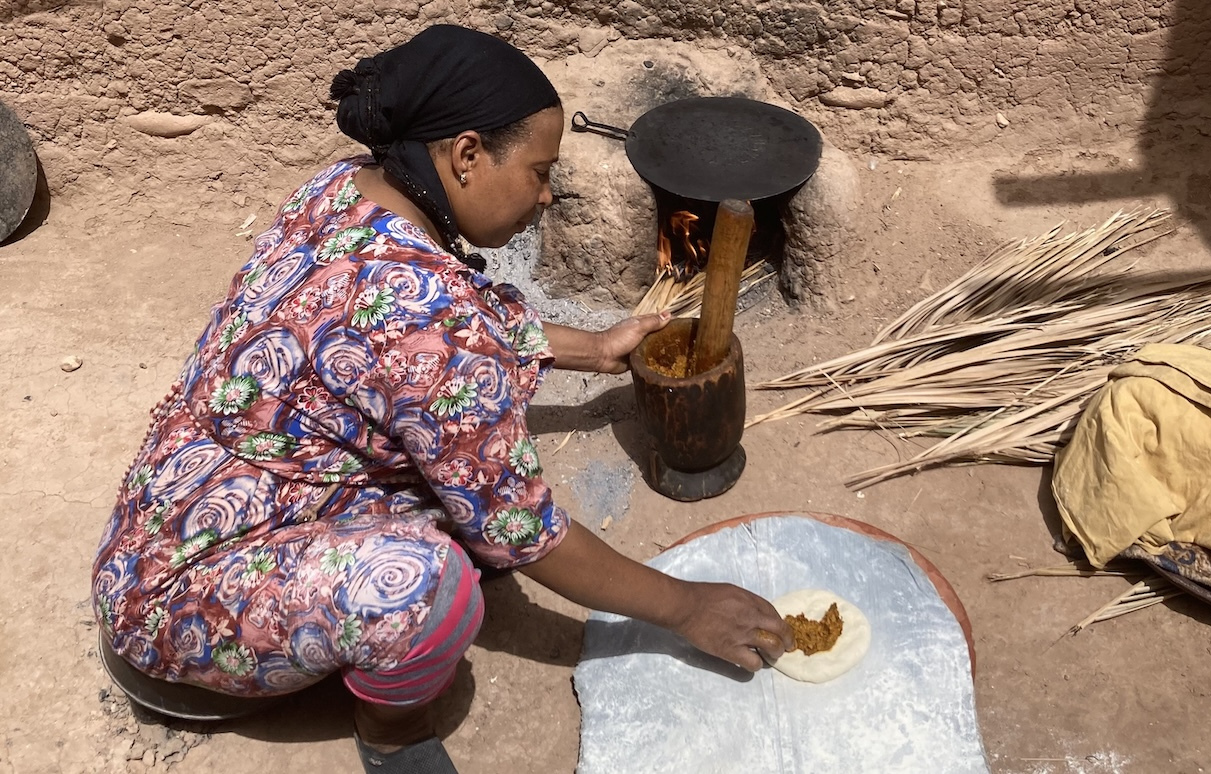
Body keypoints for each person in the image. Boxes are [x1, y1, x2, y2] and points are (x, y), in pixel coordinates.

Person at [91, 24, 792, 774]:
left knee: (451, 483)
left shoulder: (343, 189)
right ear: (466, 156)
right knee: (436, 587)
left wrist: (593, 347)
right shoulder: (435, 329)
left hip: (173, 520)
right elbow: (526, 532)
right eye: (540, 172)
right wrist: (687, 608)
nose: (547, 196)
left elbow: (438, 321)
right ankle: (392, 737)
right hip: (174, 610)